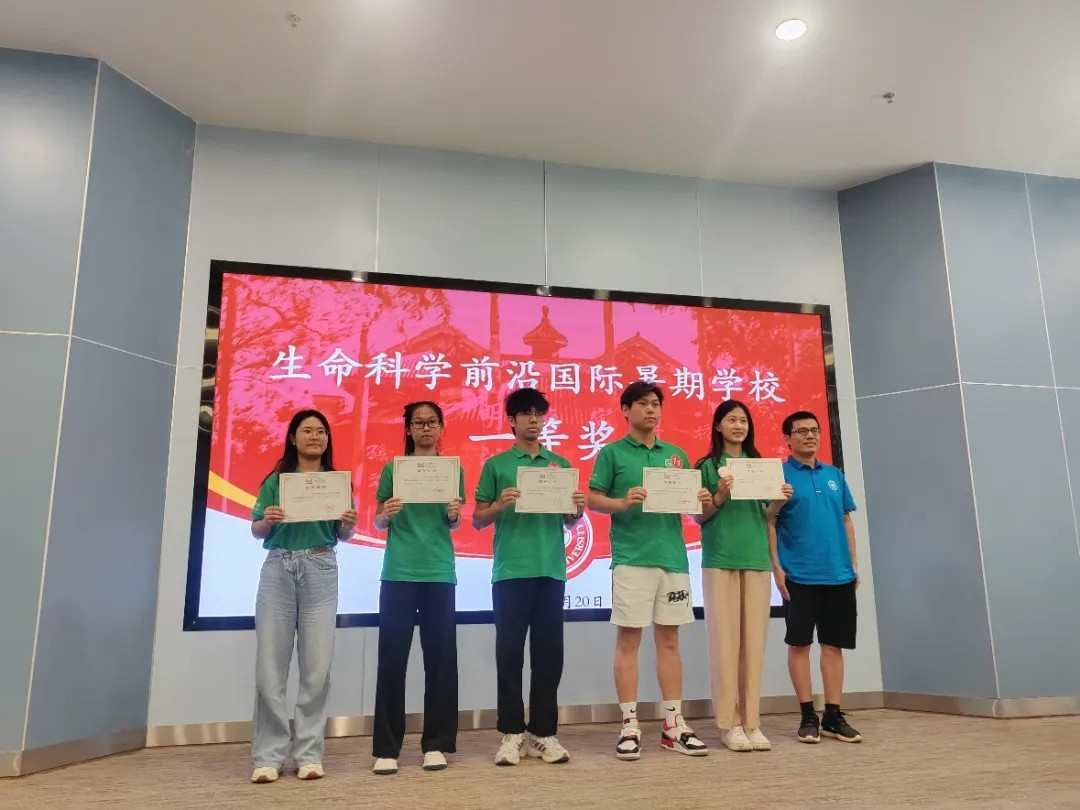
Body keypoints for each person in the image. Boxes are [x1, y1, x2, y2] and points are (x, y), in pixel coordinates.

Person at [587, 381, 712, 761]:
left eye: (656, 403)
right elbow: (593, 499)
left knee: (670, 642)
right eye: (642, 403)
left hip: (673, 559)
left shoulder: (675, 455)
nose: (651, 409)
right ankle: (629, 725)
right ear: (625, 410)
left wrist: (701, 500)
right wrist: (622, 502)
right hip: (631, 559)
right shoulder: (611, 453)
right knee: (628, 641)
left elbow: (694, 511)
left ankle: (674, 724)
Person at [473, 388, 586, 767]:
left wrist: (576, 510)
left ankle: (543, 733)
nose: (534, 420)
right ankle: (511, 732)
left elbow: (569, 521)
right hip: (510, 571)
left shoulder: (559, 465)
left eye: (539, 413)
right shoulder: (497, 465)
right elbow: (477, 518)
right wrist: (499, 505)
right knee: (509, 653)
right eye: (526, 414)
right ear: (512, 420)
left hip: (551, 570)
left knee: (549, 654)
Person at [249, 409, 357, 783]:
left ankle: (309, 753)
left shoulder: (337, 482)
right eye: (307, 431)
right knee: (269, 670)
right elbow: (257, 530)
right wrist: (268, 520)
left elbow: (343, 534)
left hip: (320, 568)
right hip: (278, 569)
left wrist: (348, 526)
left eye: (321, 431)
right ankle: (269, 756)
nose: (315, 436)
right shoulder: (276, 481)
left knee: (316, 669)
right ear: (293, 438)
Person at [371, 401, 465, 775]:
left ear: (441, 427)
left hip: (438, 572)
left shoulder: (452, 470)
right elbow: (377, 522)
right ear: (408, 428)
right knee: (392, 660)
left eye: (432, 422)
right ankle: (387, 748)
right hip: (399, 571)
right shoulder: (393, 469)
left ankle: (436, 744)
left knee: (440, 661)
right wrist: (386, 514)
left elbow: (453, 522)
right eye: (418, 422)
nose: (425, 428)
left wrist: (454, 516)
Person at [694, 400, 792, 753]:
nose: (739, 426)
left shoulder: (759, 466)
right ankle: (729, 723)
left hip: (755, 559)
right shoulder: (706, 466)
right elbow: (699, 516)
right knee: (724, 644)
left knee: (753, 645)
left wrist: (778, 502)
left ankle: (752, 722)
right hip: (720, 558)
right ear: (718, 426)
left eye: (744, 420)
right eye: (731, 420)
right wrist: (719, 495)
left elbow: (763, 516)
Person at [768, 410, 862, 744]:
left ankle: (833, 715)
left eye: (814, 430)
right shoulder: (778, 475)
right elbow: (769, 521)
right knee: (799, 644)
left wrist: (853, 563)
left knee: (833, 645)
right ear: (787, 438)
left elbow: (846, 520)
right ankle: (808, 715)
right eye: (801, 431)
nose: (810, 435)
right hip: (799, 575)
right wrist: (776, 567)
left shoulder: (834, 474)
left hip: (838, 574)